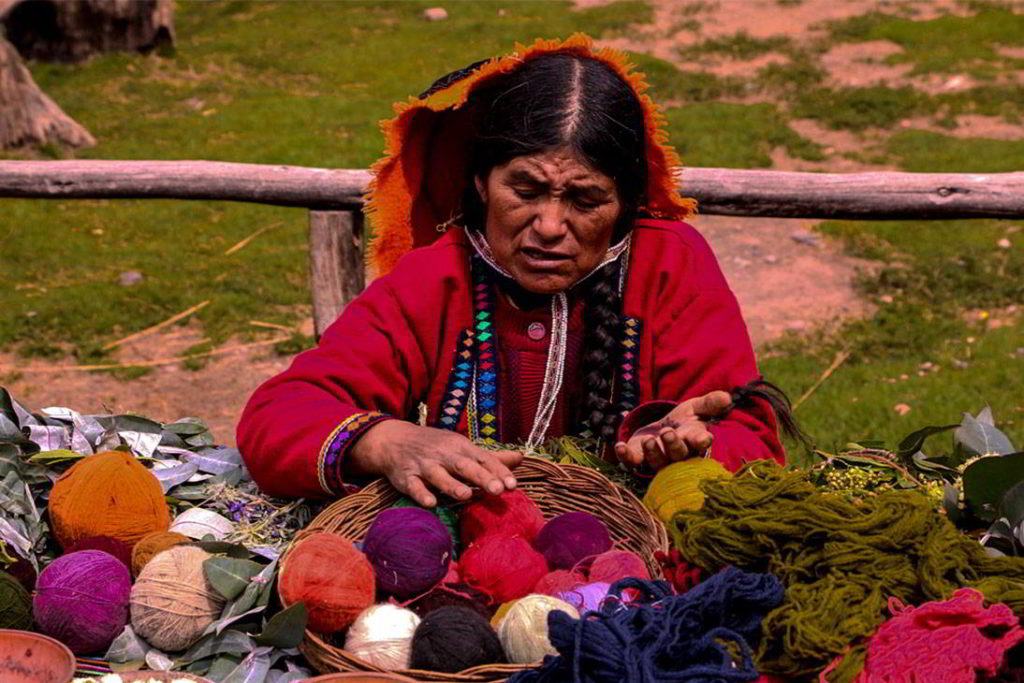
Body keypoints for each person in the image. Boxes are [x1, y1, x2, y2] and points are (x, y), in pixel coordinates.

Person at [237, 35, 791, 505]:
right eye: (524, 190)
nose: (550, 225)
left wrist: (690, 444)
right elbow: (276, 416)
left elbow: (750, 435)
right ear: (481, 182)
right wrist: (385, 442)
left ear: (625, 201)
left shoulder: (671, 265)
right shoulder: (434, 279)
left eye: (586, 199)